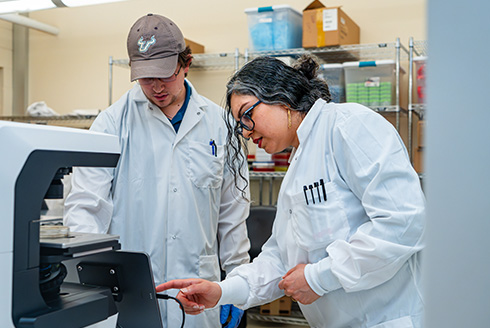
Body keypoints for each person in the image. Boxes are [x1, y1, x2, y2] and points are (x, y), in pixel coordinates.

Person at [156, 55, 426, 328]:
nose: (246, 133)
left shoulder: (348, 126)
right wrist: (222, 292)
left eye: (248, 115)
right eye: (241, 125)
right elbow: (279, 260)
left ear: (282, 97)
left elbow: (403, 223)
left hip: (390, 319)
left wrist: (318, 278)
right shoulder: (298, 164)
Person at [64, 13, 250, 328]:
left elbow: (232, 214)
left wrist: (236, 281)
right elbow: (85, 208)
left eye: (165, 74)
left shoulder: (220, 125)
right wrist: (90, 282)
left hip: (197, 289)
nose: (157, 86)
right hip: (128, 291)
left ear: (186, 63)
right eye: (146, 77)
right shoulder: (110, 124)